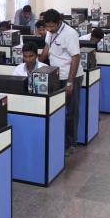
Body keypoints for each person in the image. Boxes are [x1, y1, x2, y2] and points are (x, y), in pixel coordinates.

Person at [38, 9, 83, 155]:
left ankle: (71, 144)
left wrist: (70, 82)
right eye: (47, 26)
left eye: (52, 26)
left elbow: (75, 57)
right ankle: (60, 141)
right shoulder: (50, 32)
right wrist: (37, 63)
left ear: (59, 22)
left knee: (70, 111)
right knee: (57, 110)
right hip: (55, 75)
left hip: (70, 76)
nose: (49, 29)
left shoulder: (70, 34)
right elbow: (47, 48)